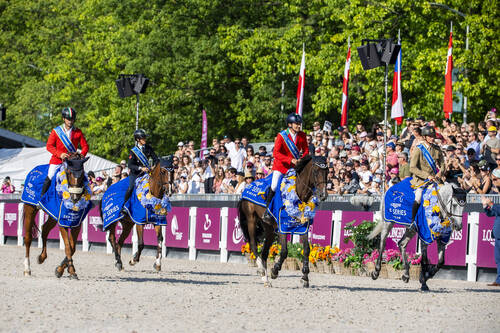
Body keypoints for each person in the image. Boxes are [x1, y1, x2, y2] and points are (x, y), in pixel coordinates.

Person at [263, 113, 309, 220]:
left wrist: (303, 159)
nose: (299, 126)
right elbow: (276, 153)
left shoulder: (302, 135)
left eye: (299, 124)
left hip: (295, 167)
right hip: (281, 166)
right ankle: (267, 210)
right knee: (274, 185)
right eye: (296, 124)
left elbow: (306, 150)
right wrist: (290, 160)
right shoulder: (281, 136)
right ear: (290, 125)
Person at [41, 107, 89, 196]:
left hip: (72, 161)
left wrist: (82, 155)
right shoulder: (56, 131)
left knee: (83, 177)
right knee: (50, 176)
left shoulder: (78, 132)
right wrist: (60, 154)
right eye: (68, 119)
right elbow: (49, 146)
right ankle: (42, 198)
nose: (70, 121)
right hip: (57, 160)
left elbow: (85, 146)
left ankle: (84, 197)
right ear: (63, 119)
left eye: (72, 119)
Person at [409, 126, 445, 224]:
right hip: (421, 180)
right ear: (424, 137)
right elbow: (412, 168)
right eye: (430, 136)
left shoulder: (437, 149)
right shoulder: (419, 149)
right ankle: (412, 221)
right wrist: (427, 175)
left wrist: (439, 173)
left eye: (433, 136)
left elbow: (443, 165)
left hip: (435, 179)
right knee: (419, 196)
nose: (432, 138)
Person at [122, 129, 159, 210]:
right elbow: (130, 165)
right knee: (131, 188)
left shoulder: (149, 148)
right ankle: (124, 206)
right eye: (143, 138)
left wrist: (154, 166)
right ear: (138, 140)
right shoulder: (133, 151)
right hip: (135, 173)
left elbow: (156, 159)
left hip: (147, 173)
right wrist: (141, 168)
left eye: (145, 138)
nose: (145, 139)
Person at [481, 170, 500, 287]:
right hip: (498, 233)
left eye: (495, 179)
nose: (493, 182)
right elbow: (492, 213)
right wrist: (485, 206)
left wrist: (491, 203)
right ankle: (499, 280)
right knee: (498, 259)